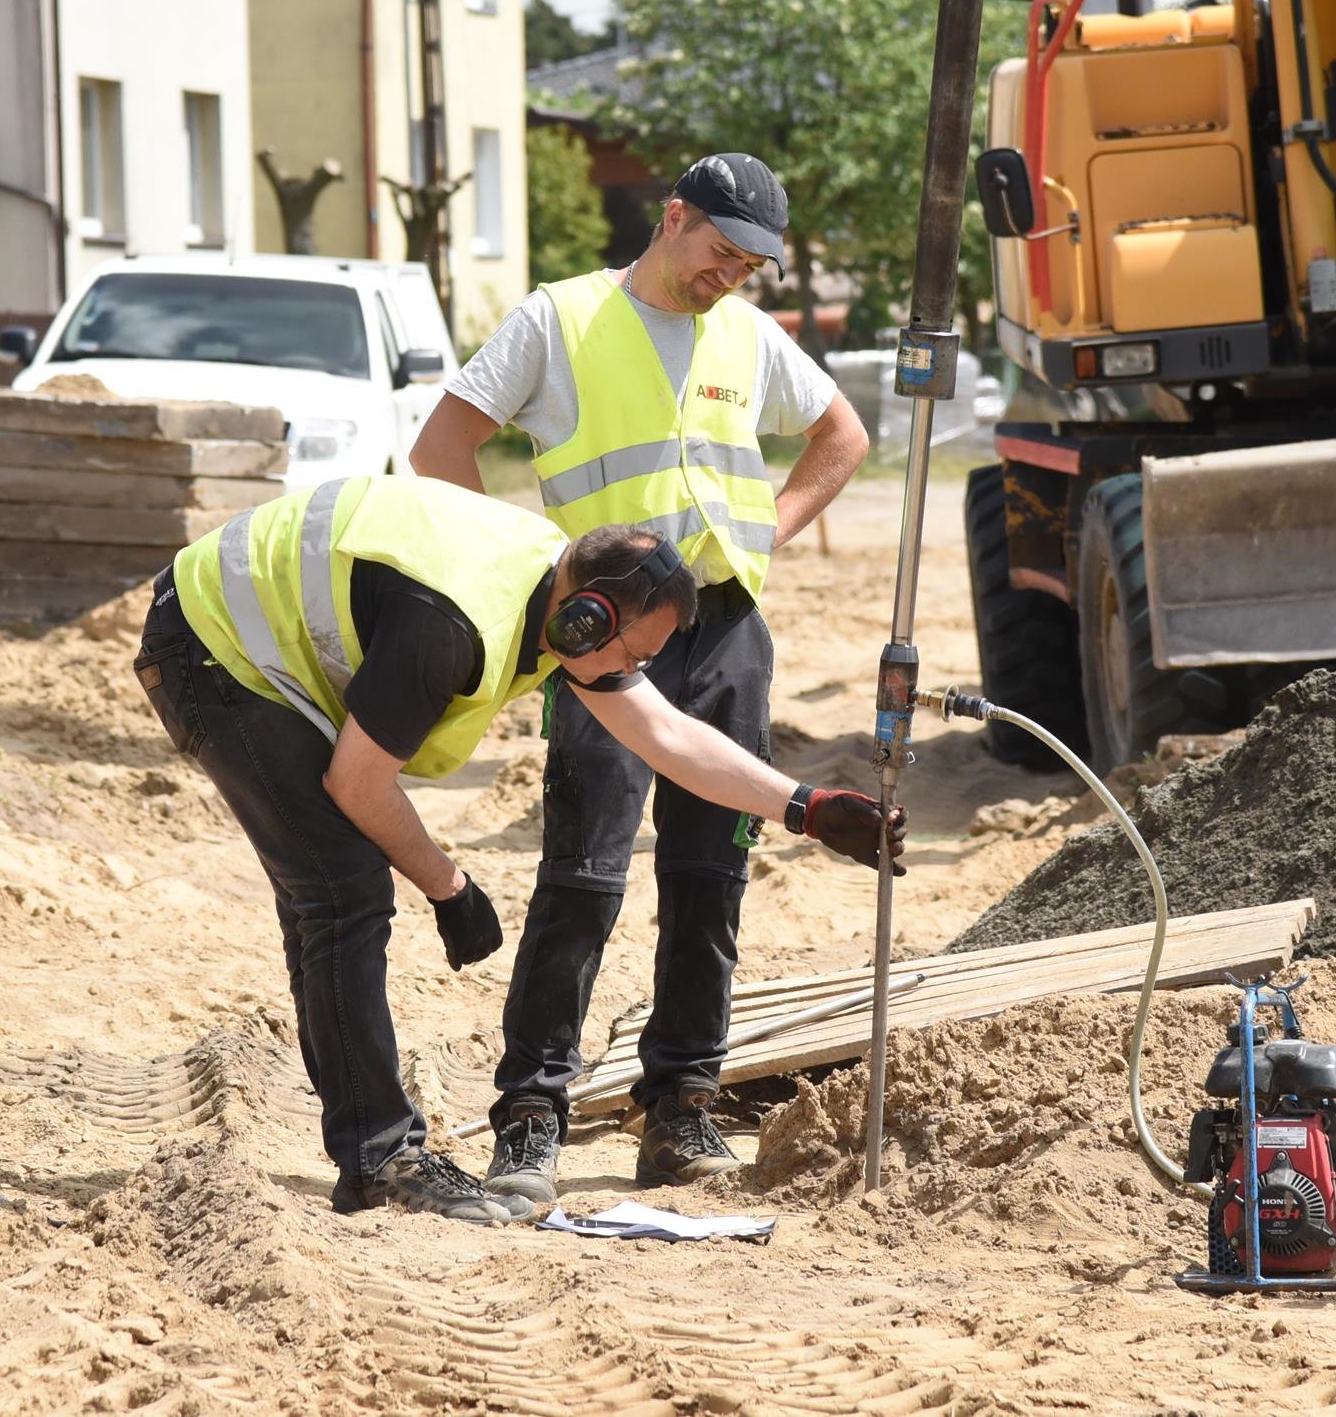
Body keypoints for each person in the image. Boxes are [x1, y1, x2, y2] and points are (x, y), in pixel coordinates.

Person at [132, 472, 899, 1225]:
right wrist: (449, 887)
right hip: (211, 646)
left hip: (255, 643)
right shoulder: (456, 621)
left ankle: (372, 1145)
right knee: (341, 888)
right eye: (636, 656)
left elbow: (667, 734)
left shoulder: (558, 597)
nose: (637, 674)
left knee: (331, 891)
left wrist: (810, 807)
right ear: (589, 621)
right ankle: (380, 1159)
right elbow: (359, 784)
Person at [406, 152, 873, 1203]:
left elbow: (841, 436)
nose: (732, 276)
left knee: (711, 876)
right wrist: (540, 578)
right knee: (584, 877)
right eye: (720, 252)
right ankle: (530, 1114)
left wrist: (765, 539)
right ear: (672, 219)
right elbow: (440, 448)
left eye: (752, 263)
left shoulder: (749, 335)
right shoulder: (558, 321)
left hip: (724, 629)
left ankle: (682, 1106)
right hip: (605, 635)